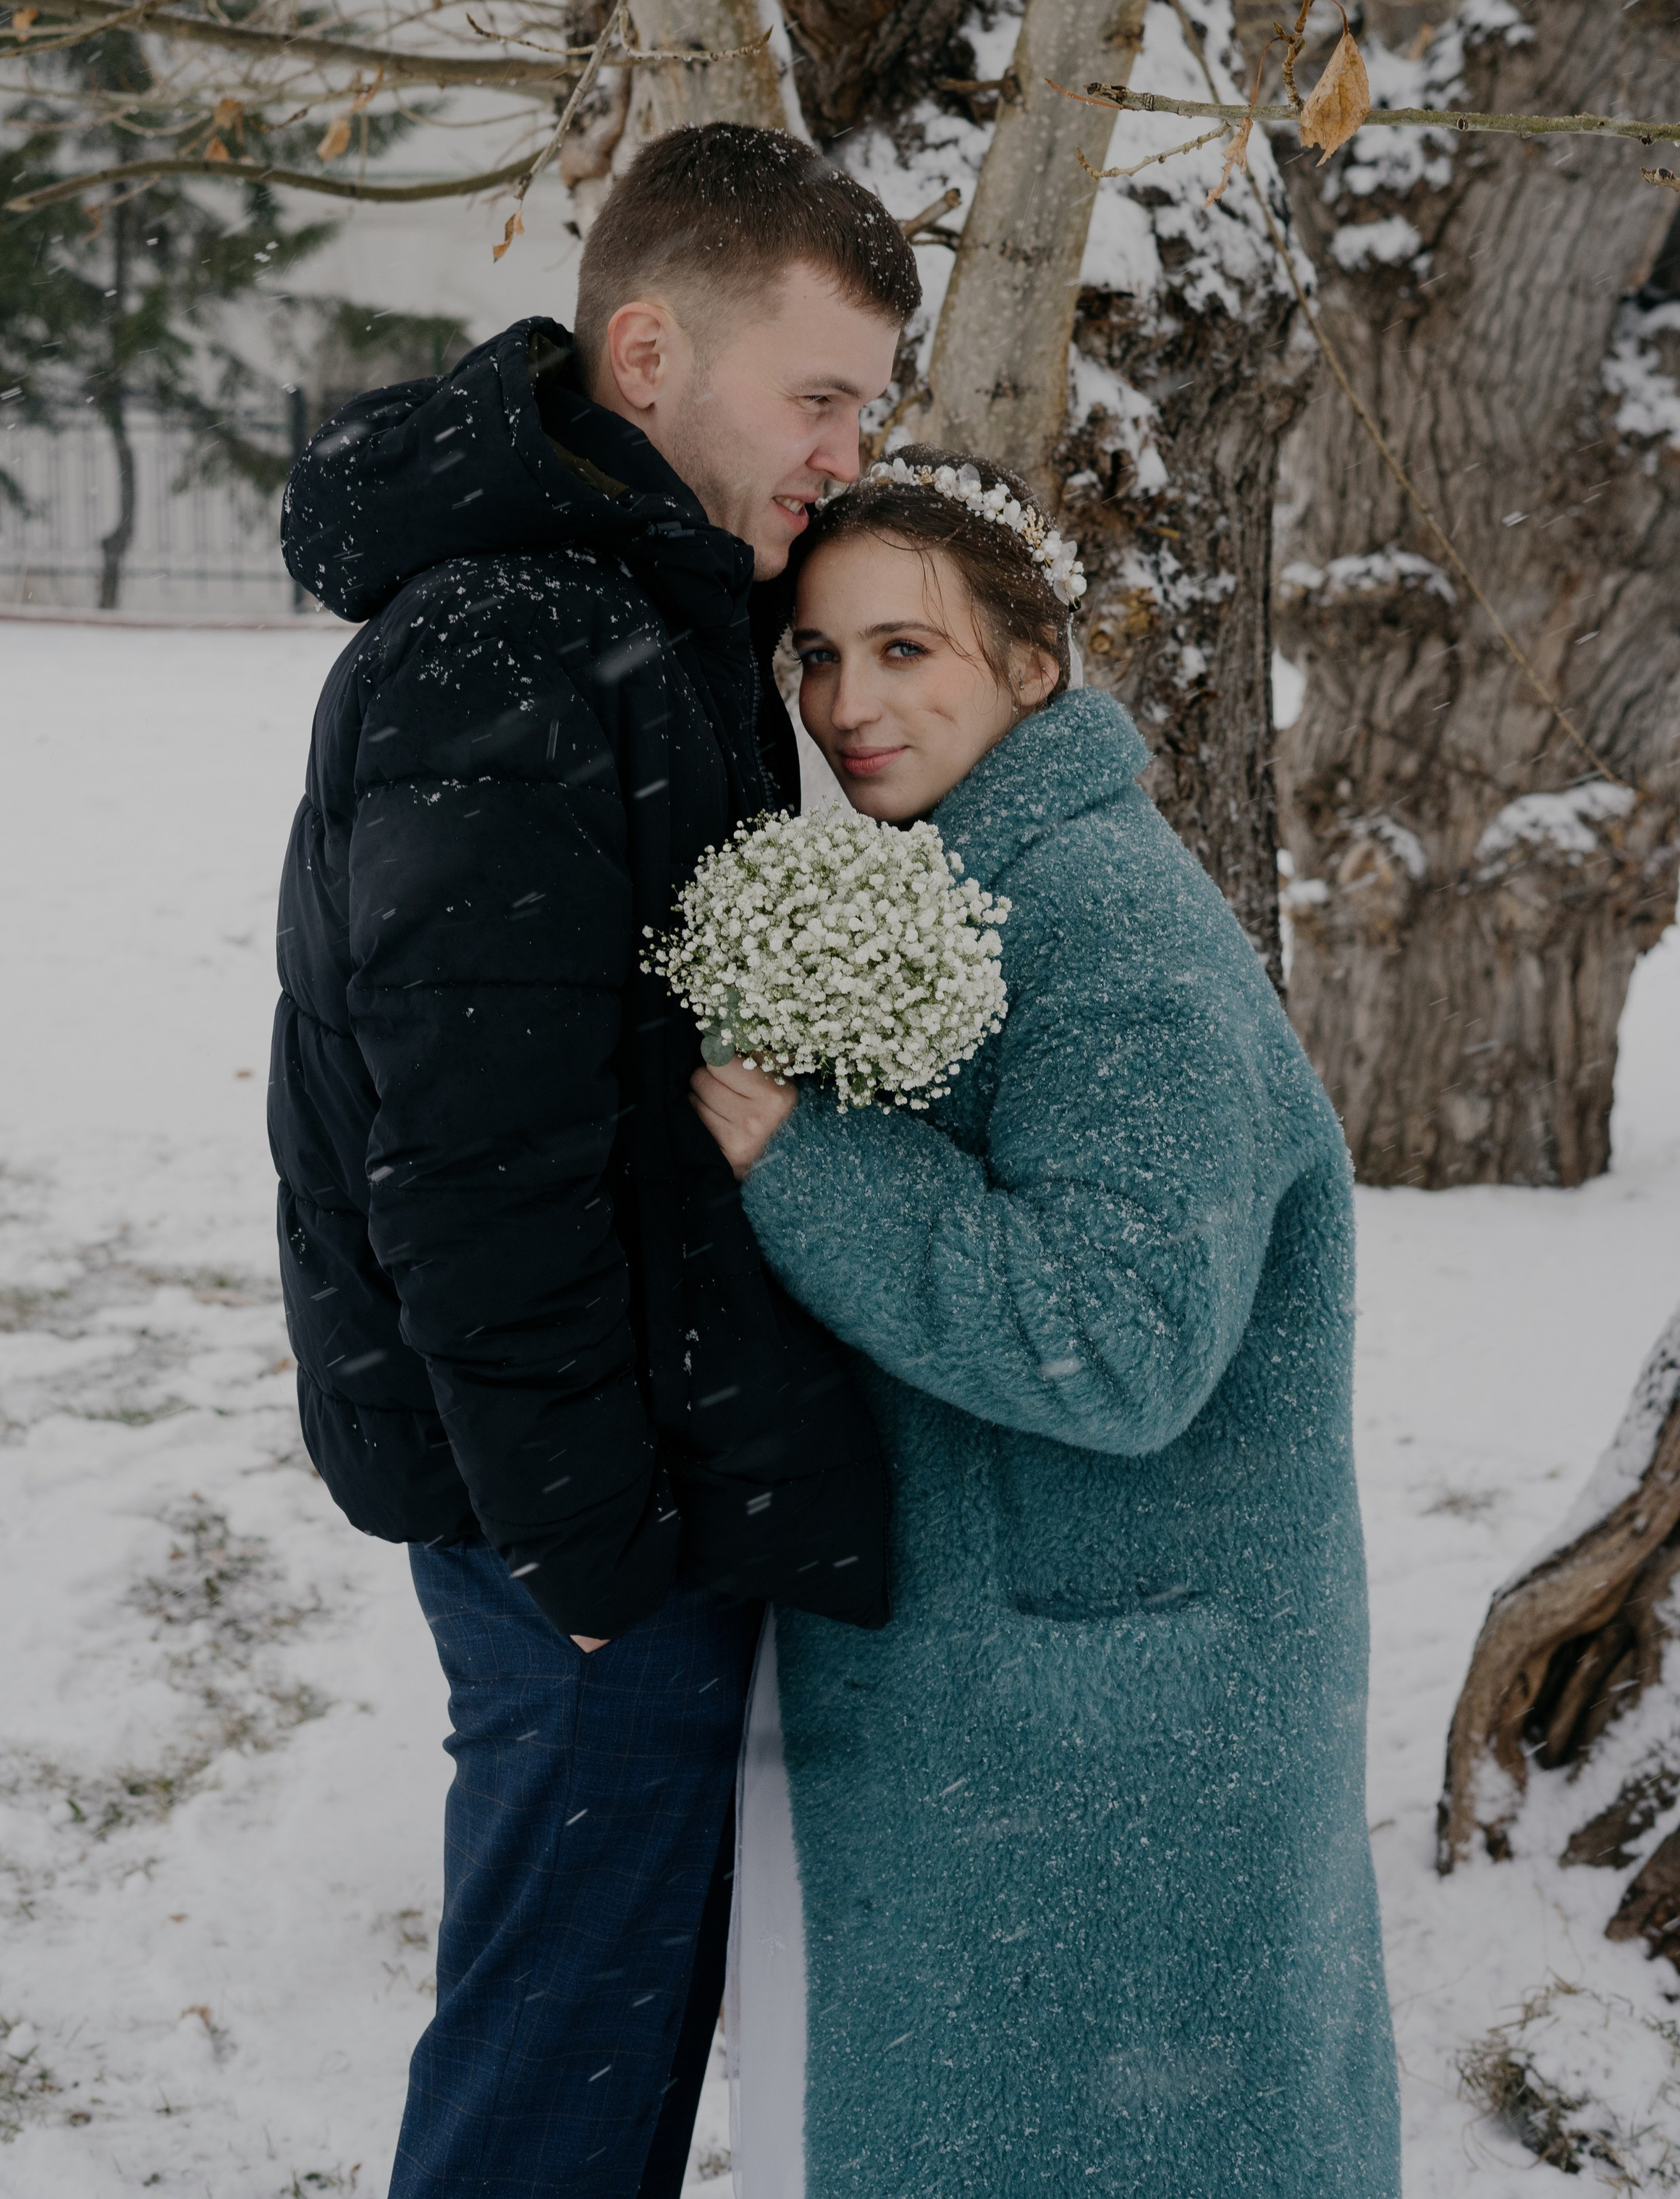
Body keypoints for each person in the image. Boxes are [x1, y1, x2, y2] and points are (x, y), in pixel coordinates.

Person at [268, 127, 913, 2198]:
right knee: (560, 2066)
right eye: (818, 398)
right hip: (571, 1506)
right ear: (651, 352)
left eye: (865, 409)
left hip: (629, 1461)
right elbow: (471, 1157)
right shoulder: (516, 654)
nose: (843, 452)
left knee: (607, 2040)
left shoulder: (655, 602)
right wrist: (592, 1564)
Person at [693, 450, 1402, 2199]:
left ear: (1032, 663)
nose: (849, 703)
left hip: (1122, 1711)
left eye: (904, 651)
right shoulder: (979, 884)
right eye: (818, 657)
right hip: (1059, 1682)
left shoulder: (1103, 926)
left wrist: (808, 1158)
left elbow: (1126, 1336)